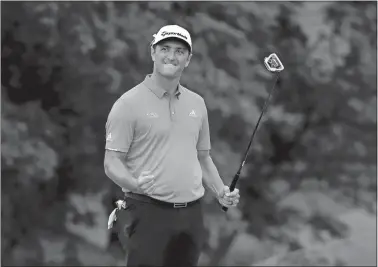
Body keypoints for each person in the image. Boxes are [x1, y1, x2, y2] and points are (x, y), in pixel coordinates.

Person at [104, 24, 240, 267]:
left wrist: (221, 192)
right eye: (165, 48)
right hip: (148, 211)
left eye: (179, 51)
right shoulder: (128, 104)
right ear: (153, 52)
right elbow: (112, 162)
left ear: (188, 59)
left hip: (191, 215)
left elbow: (203, 157)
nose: (171, 56)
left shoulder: (197, 103)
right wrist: (133, 184)